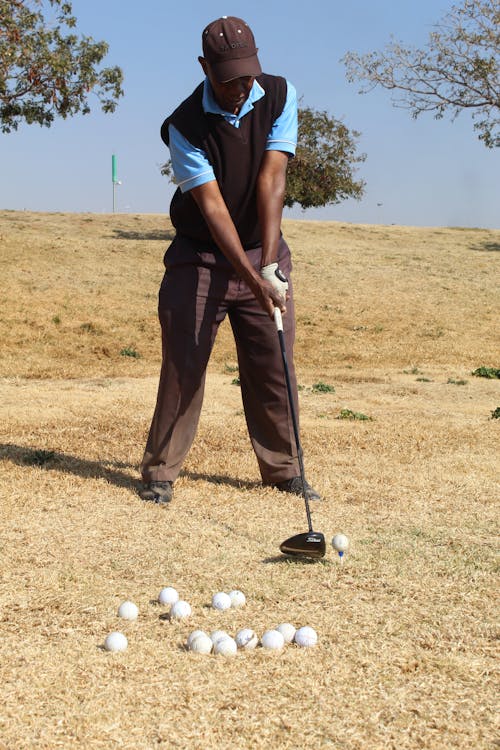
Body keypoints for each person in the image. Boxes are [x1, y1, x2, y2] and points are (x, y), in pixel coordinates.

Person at [140, 16, 320, 505]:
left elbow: (271, 180)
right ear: (204, 67)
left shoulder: (280, 96)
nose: (240, 89)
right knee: (185, 363)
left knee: (275, 363)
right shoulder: (183, 126)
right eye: (228, 80)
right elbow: (214, 208)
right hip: (200, 258)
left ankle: (285, 471)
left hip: (263, 249)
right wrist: (249, 274)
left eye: (247, 76)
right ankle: (160, 472)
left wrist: (268, 264)